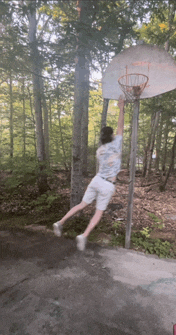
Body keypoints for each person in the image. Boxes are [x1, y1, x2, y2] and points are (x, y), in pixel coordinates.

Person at [53, 96, 125, 251]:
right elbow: (121, 127)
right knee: (98, 212)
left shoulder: (100, 151)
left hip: (97, 180)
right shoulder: (116, 145)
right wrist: (121, 108)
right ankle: (84, 235)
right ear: (112, 136)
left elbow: (109, 163)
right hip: (107, 184)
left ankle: (60, 222)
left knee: (82, 205)